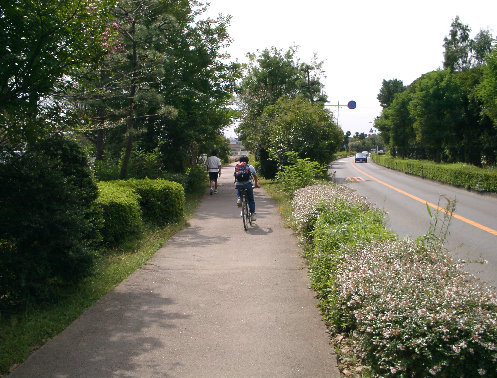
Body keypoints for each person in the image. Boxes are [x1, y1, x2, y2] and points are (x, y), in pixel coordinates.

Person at [234, 155, 260, 221]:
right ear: (247, 161)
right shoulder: (250, 166)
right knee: (251, 199)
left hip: (239, 184)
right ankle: (253, 214)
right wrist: (256, 184)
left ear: (240, 161)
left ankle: (239, 198)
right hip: (248, 184)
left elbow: (235, 176)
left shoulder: (237, 166)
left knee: (239, 187)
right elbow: (255, 176)